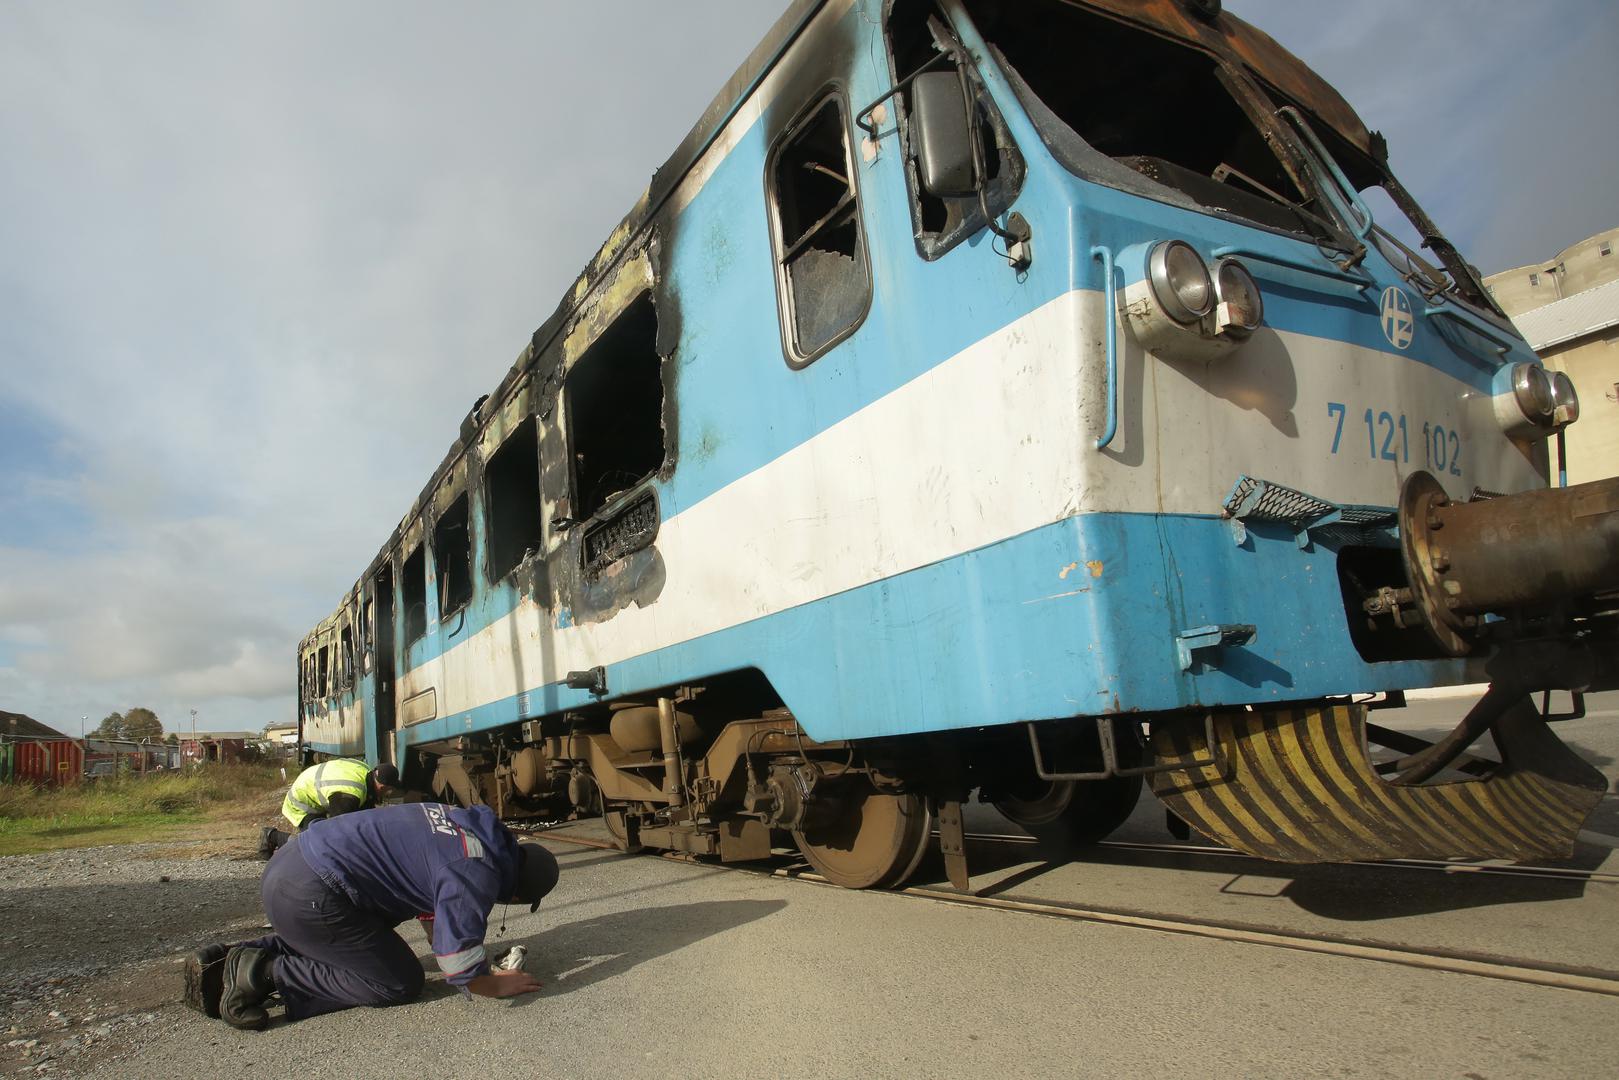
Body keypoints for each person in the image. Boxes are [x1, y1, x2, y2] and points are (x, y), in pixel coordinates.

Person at [186, 801, 559, 1029]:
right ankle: (263, 973)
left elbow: (429, 894)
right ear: (515, 894)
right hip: (310, 895)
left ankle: (225, 961)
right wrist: (494, 984)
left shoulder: (462, 822)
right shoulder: (475, 870)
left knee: (369, 933)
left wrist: (446, 938)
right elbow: (458, 966)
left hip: (291, 867)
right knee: (397, 980)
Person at [257, 759, 401, 857]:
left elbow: (364, 814)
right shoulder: (348, 794)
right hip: (302, 802)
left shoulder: (366, 772)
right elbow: (339, 830)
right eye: (389, 791)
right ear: (382, 787)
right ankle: (272, 836)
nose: (387, 794)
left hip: (314, 789)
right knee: (319, 844)